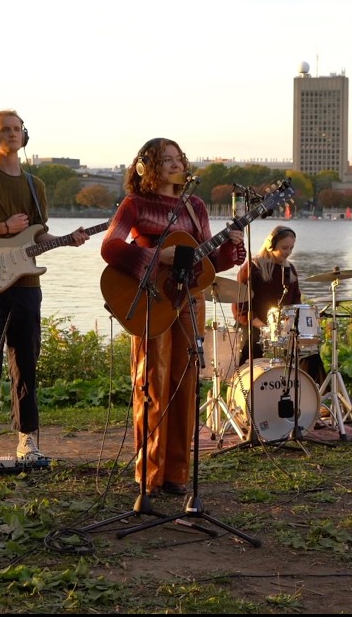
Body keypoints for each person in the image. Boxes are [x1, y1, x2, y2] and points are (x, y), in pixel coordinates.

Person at [99, 138, 245, 496]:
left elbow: (208, 262)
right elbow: (110, 246)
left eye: (178, 157)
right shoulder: (135, 205)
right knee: (152, 384)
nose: (176, 164)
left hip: (189, 302)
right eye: (166, 159)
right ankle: (149, 474)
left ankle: (177, 473)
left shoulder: (194, 205)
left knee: (184, 384)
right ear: (146, 166)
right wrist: (157, 257)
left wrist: (232, 246)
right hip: (151, 300)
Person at [0, 109, 90, 463]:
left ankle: (27, 439)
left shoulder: (35, 185)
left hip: (25, 283)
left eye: (17, 130)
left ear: (24, 136)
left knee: (26, 361)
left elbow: (37, 235)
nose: (12, 135)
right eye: (5, 130)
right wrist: (3, 228)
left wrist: (65, 240)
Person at [231, 224, 327, 395]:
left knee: (308, 349)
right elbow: (240, 307)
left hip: (282, 328)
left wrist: (291, 325)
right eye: (284, 247)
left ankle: (315, 397)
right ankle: (246, 394)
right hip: (254, 324)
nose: (288, 252)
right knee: (251, 345)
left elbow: (296, 302)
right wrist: (263, 327)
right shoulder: (253, 267)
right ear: (271, 245)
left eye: (291, 248)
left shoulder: (290, 270)